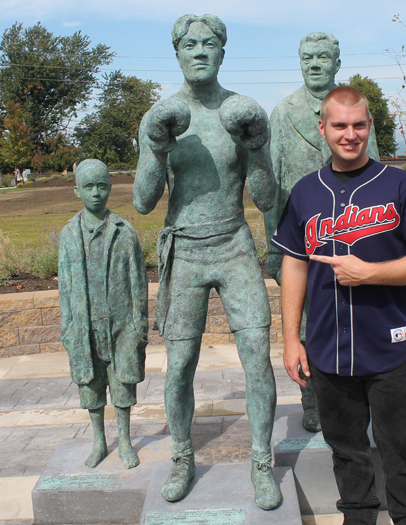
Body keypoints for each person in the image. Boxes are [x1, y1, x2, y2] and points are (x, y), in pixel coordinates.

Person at [271, 86, 406, 524]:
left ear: (369, 126)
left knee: (402, 453)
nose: (349, 134)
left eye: (357, 125)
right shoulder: (305, 193)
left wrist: (369, 272)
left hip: (392, 348)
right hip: (328, 350)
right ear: (323, 129)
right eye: (339, 125)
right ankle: (358, 516)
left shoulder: (400, 185)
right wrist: (291, 339)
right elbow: (293, 264)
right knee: (347, 454)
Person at [133, 14, 281, 510]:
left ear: (223, 53)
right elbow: (141, 201)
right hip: (187, 250)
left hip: (234, 244)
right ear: (176, 54)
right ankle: (181, 456)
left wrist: (256, 147)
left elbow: (263, 198)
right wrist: (157, 148)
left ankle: (263, 460)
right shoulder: (162, 115)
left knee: (258, 358)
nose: (200, 51)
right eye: (190, 44)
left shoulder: (240, 113)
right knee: (179, 368)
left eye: (210, 44)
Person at [264, 33, 380, 432]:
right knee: (312, 323)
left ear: (336, 62)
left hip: (352, 237)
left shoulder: (354, 112)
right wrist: (274, 249)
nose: (315, 64)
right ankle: (313, 400)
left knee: (359, 318)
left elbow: (376, 170)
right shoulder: (283, 113)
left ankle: (364, 394)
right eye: (307, 57)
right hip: (305, 240)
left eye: (323, 57)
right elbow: (275, 186)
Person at [58, 159, 148, 470]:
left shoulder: (124, 231)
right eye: (89, 187)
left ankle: (124, 440)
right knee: (91, 385)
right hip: (85, 326)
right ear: (76, 191)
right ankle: (99, 441)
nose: (96, 193)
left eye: (102, 186)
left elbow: (138, 283)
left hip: (121, 325)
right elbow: (64, 288)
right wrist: (68, 329)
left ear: (110, 188)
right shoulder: (69, 235)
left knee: (123, 385)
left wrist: (139, 327)